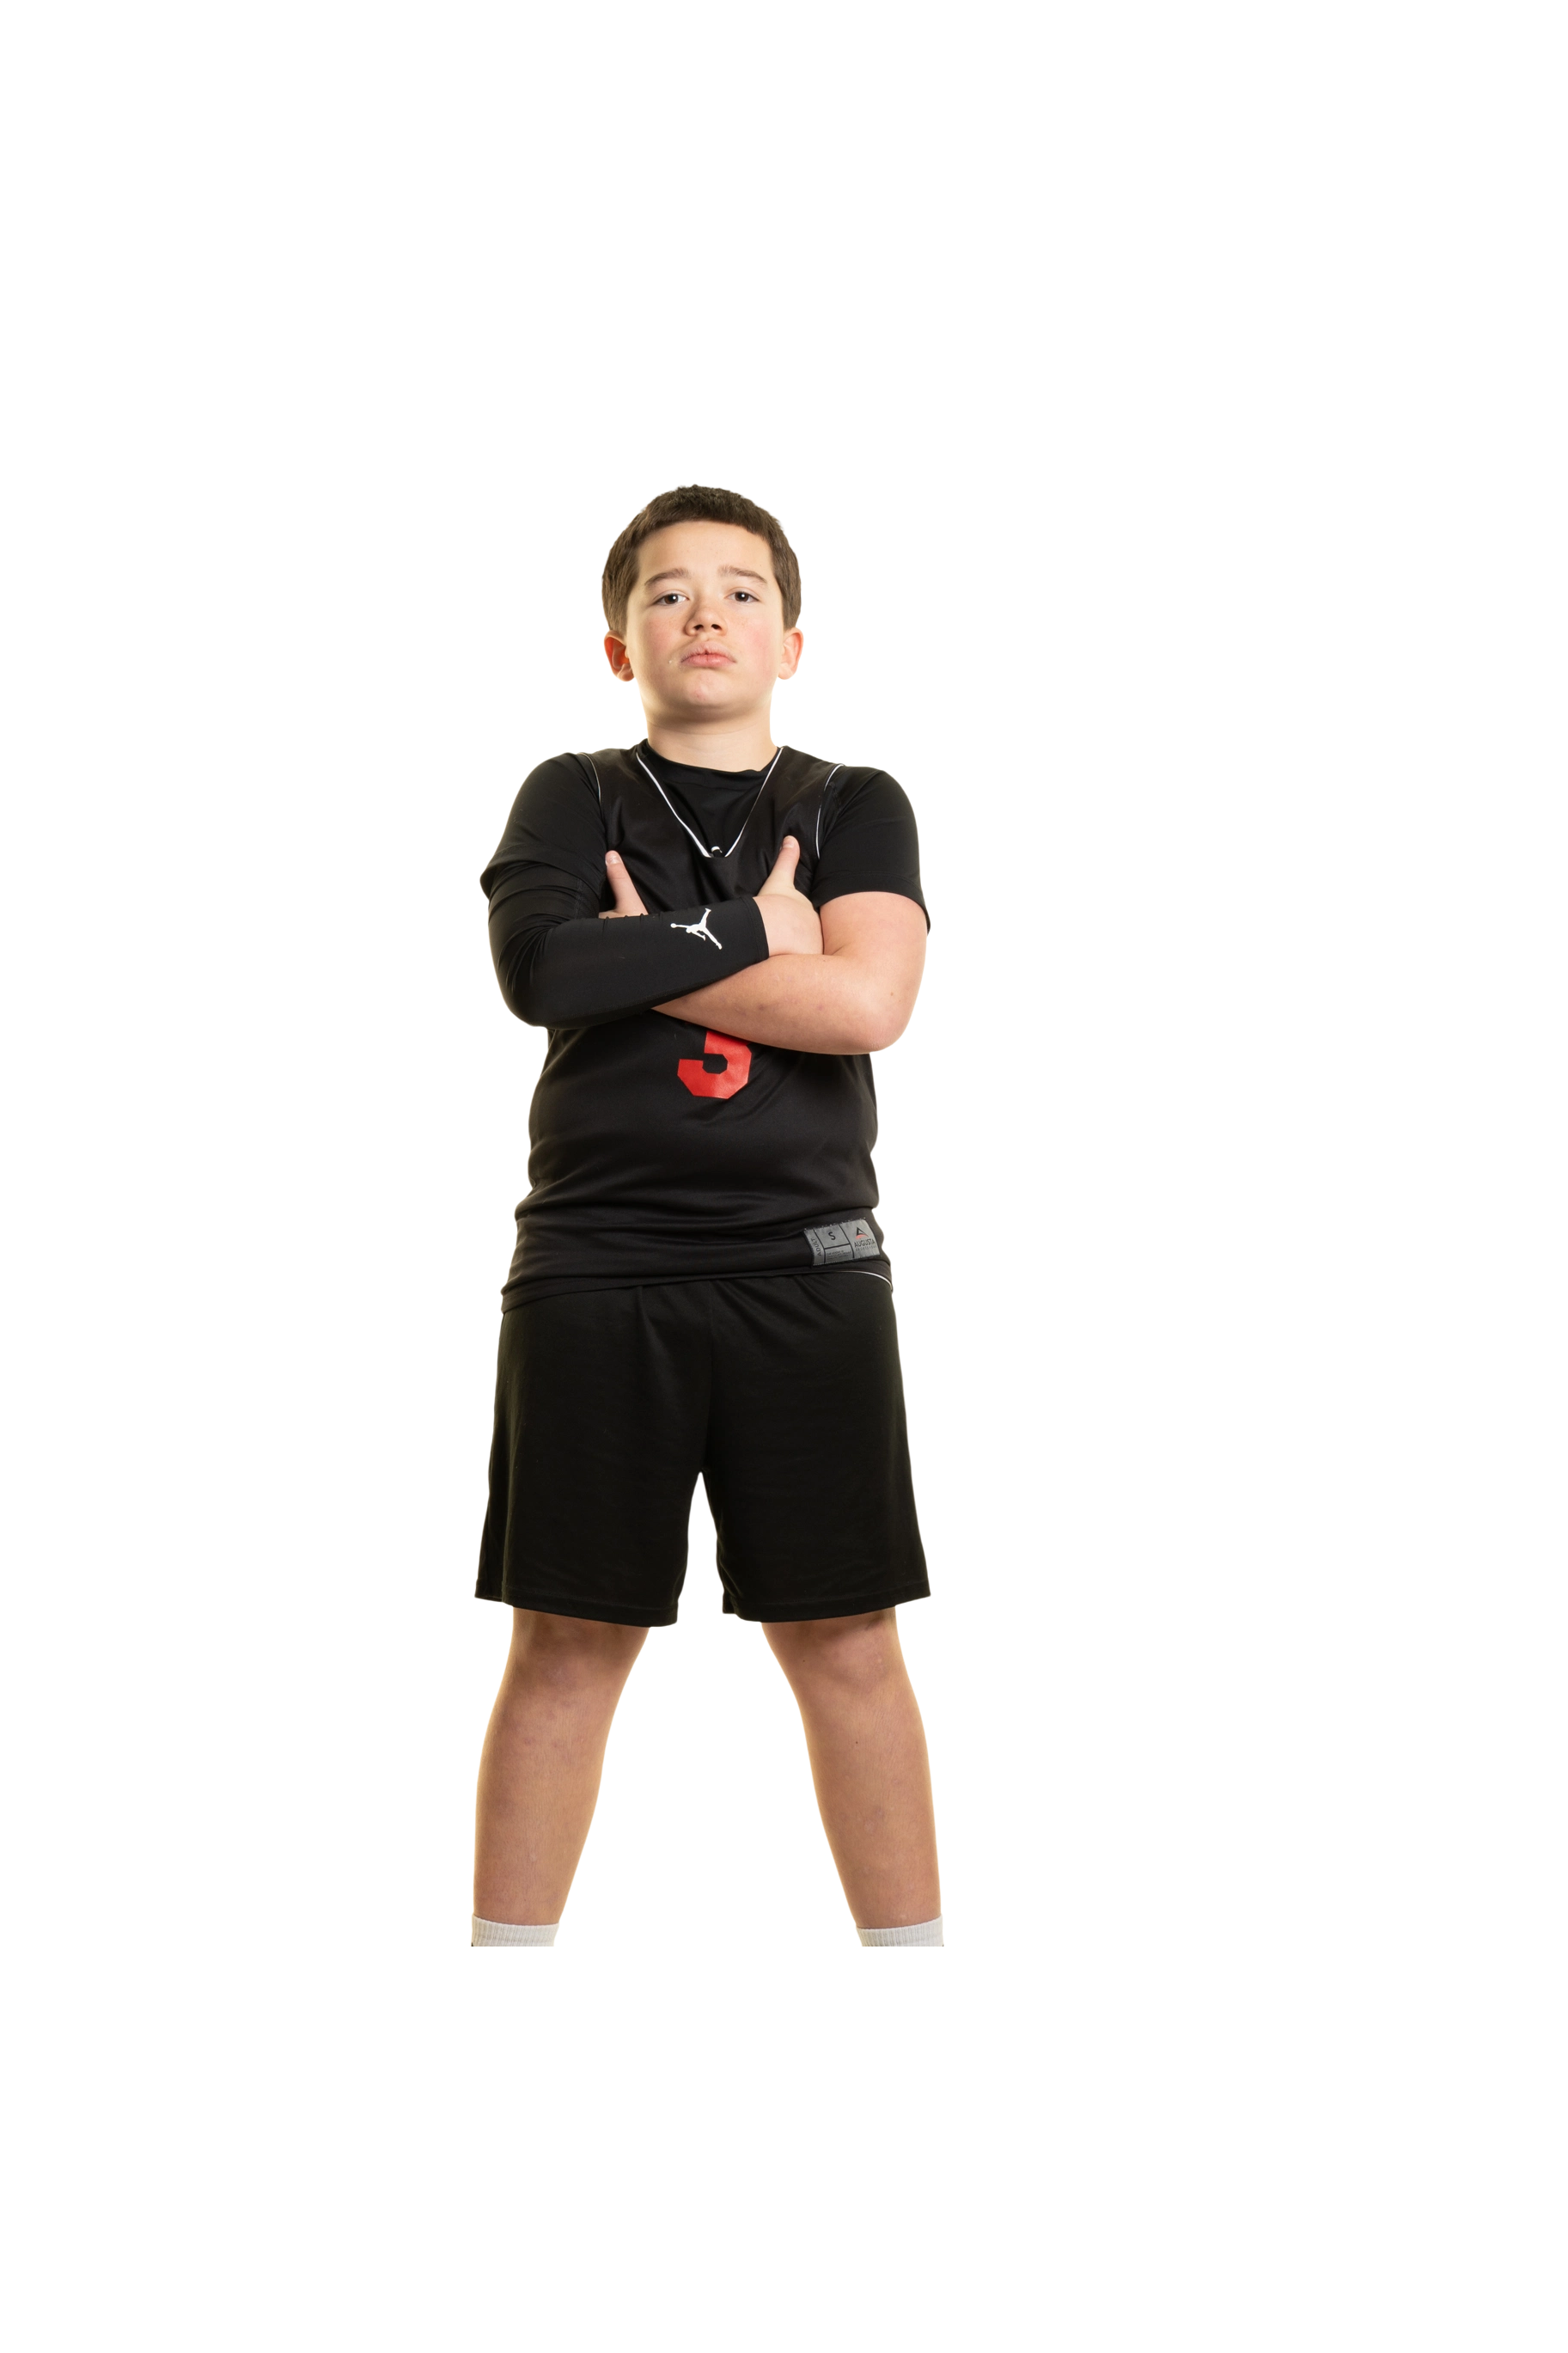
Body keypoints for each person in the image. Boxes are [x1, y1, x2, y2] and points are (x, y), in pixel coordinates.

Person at [471, 483, 943, 1947]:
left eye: (742, 591)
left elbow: (867, 1002)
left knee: (847, 1637)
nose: (705, 613)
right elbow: (540, 975)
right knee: (567, 1640)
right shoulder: (572, 792)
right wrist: (753, 929)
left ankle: (918, 1973)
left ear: (791, 641)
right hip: (595, 1263)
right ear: (621, 644)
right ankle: (500, 1977)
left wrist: (642, 957)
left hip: (810, 1266)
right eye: (666, 591)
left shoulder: (854, 802)